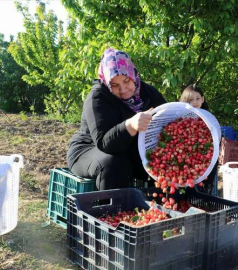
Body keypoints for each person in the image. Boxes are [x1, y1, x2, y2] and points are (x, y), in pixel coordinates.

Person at [67, 48, 166, 190]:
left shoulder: (148, 93)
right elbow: (104, 143)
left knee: (163, 161)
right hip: (88, 149)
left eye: (126, 81)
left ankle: (163, 208)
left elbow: (167, 118)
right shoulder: (98, 97)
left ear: (133, 75)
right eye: (115, 85)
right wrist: (130, 125)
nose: (123, 89)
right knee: (114, 164)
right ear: (107, 82)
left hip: (129, 150)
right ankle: (113, 211)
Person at [180, 84, 218, 195]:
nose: (195, 102)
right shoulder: (182, 117)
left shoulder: (209, 118)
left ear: (203, 99)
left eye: (197, 98)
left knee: (205, 181)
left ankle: (206, 191)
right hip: (188, 158)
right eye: (191, 100)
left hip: (206, 158)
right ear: (185, 101)